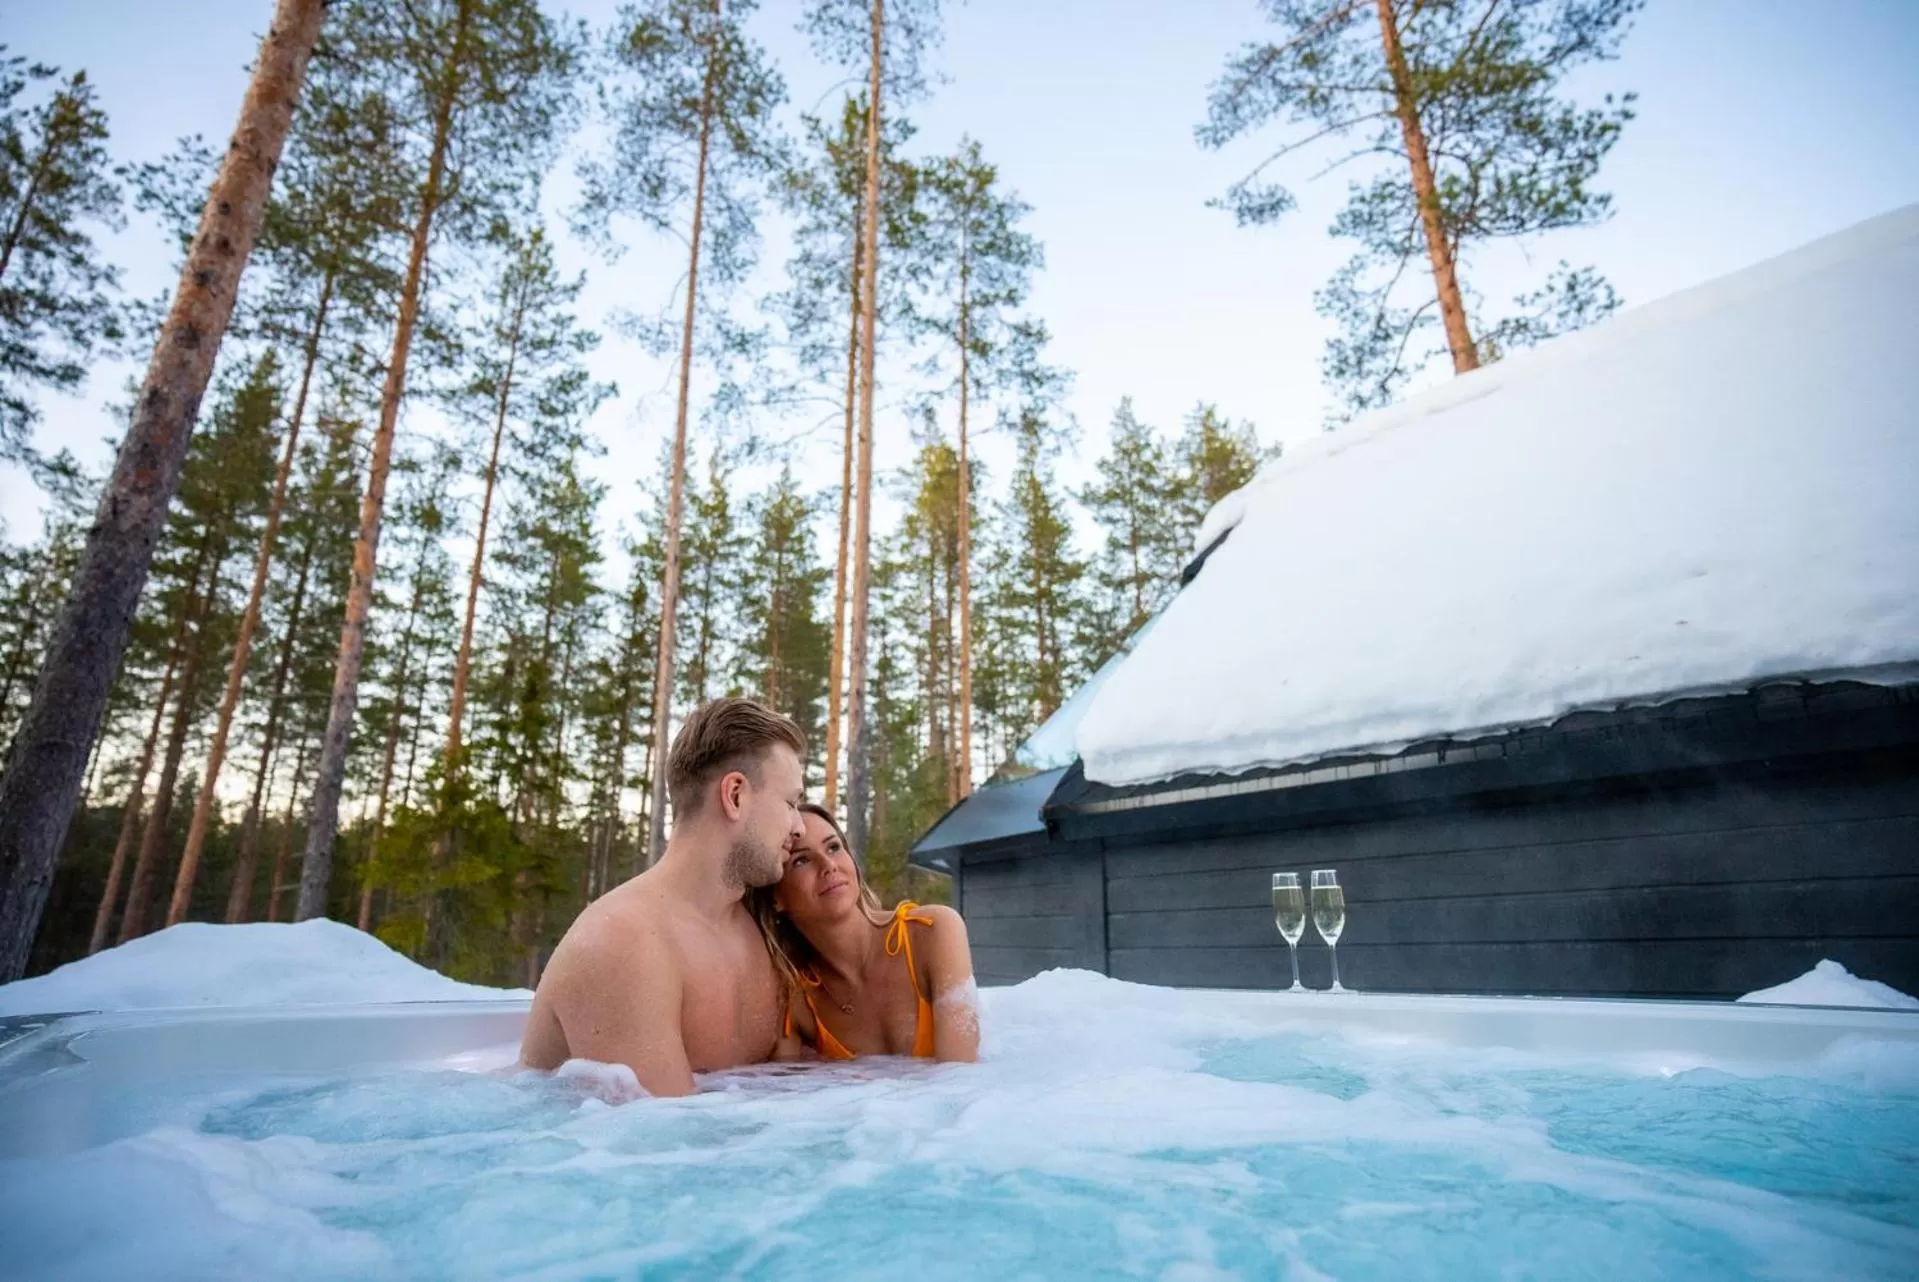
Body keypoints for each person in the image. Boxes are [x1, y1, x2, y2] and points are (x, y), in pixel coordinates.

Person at [519, 697, 807, 1096]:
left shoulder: (759, 932)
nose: (800, 827)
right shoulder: (621, 943)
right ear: (736, 795)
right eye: (791, 802)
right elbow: (667, 1147)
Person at [749, 803, 979, 1063]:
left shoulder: (932, 932)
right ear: (775, 898)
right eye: (801, 860)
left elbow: (961, 1078)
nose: (828, 865)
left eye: (834, 847)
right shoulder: (799, 1004)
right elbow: (776, 1096)